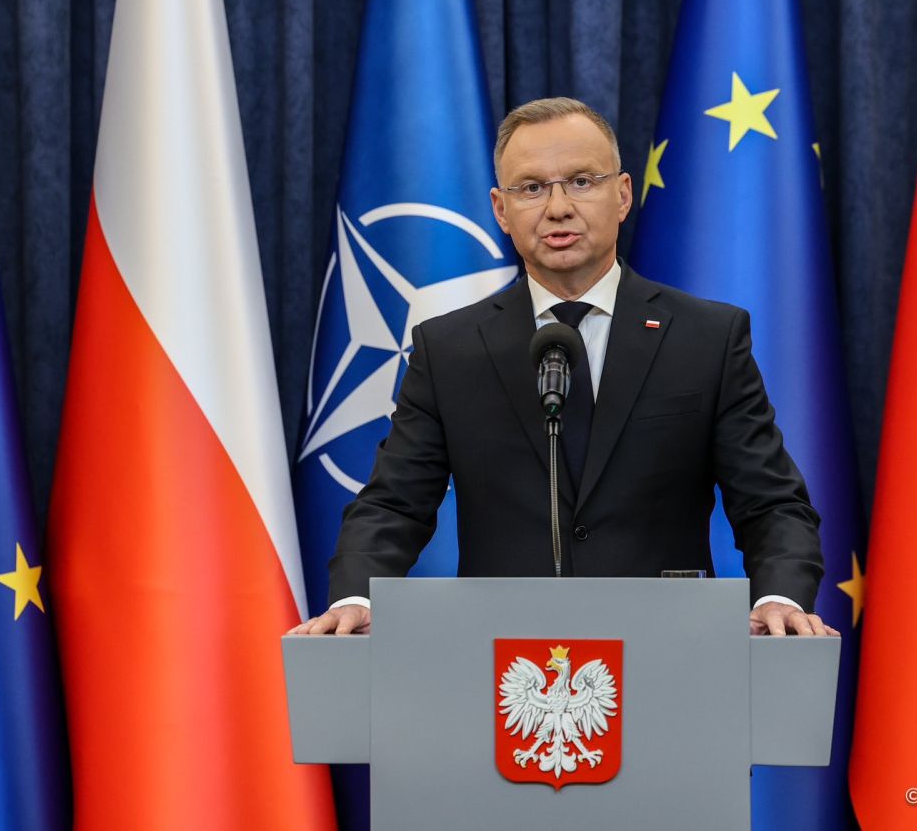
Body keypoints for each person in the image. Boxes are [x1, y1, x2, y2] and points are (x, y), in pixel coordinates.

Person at [292, 97, 838, 638]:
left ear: (622, 194)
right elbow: (394, 504)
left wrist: (780, 596)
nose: (557, 207)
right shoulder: (449, 349)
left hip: (669, 648)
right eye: (531, 188)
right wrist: (357, 596)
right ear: (500, 210)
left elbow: (771, 503)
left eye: (581, 181)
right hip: (505, 659)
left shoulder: (706, 338)